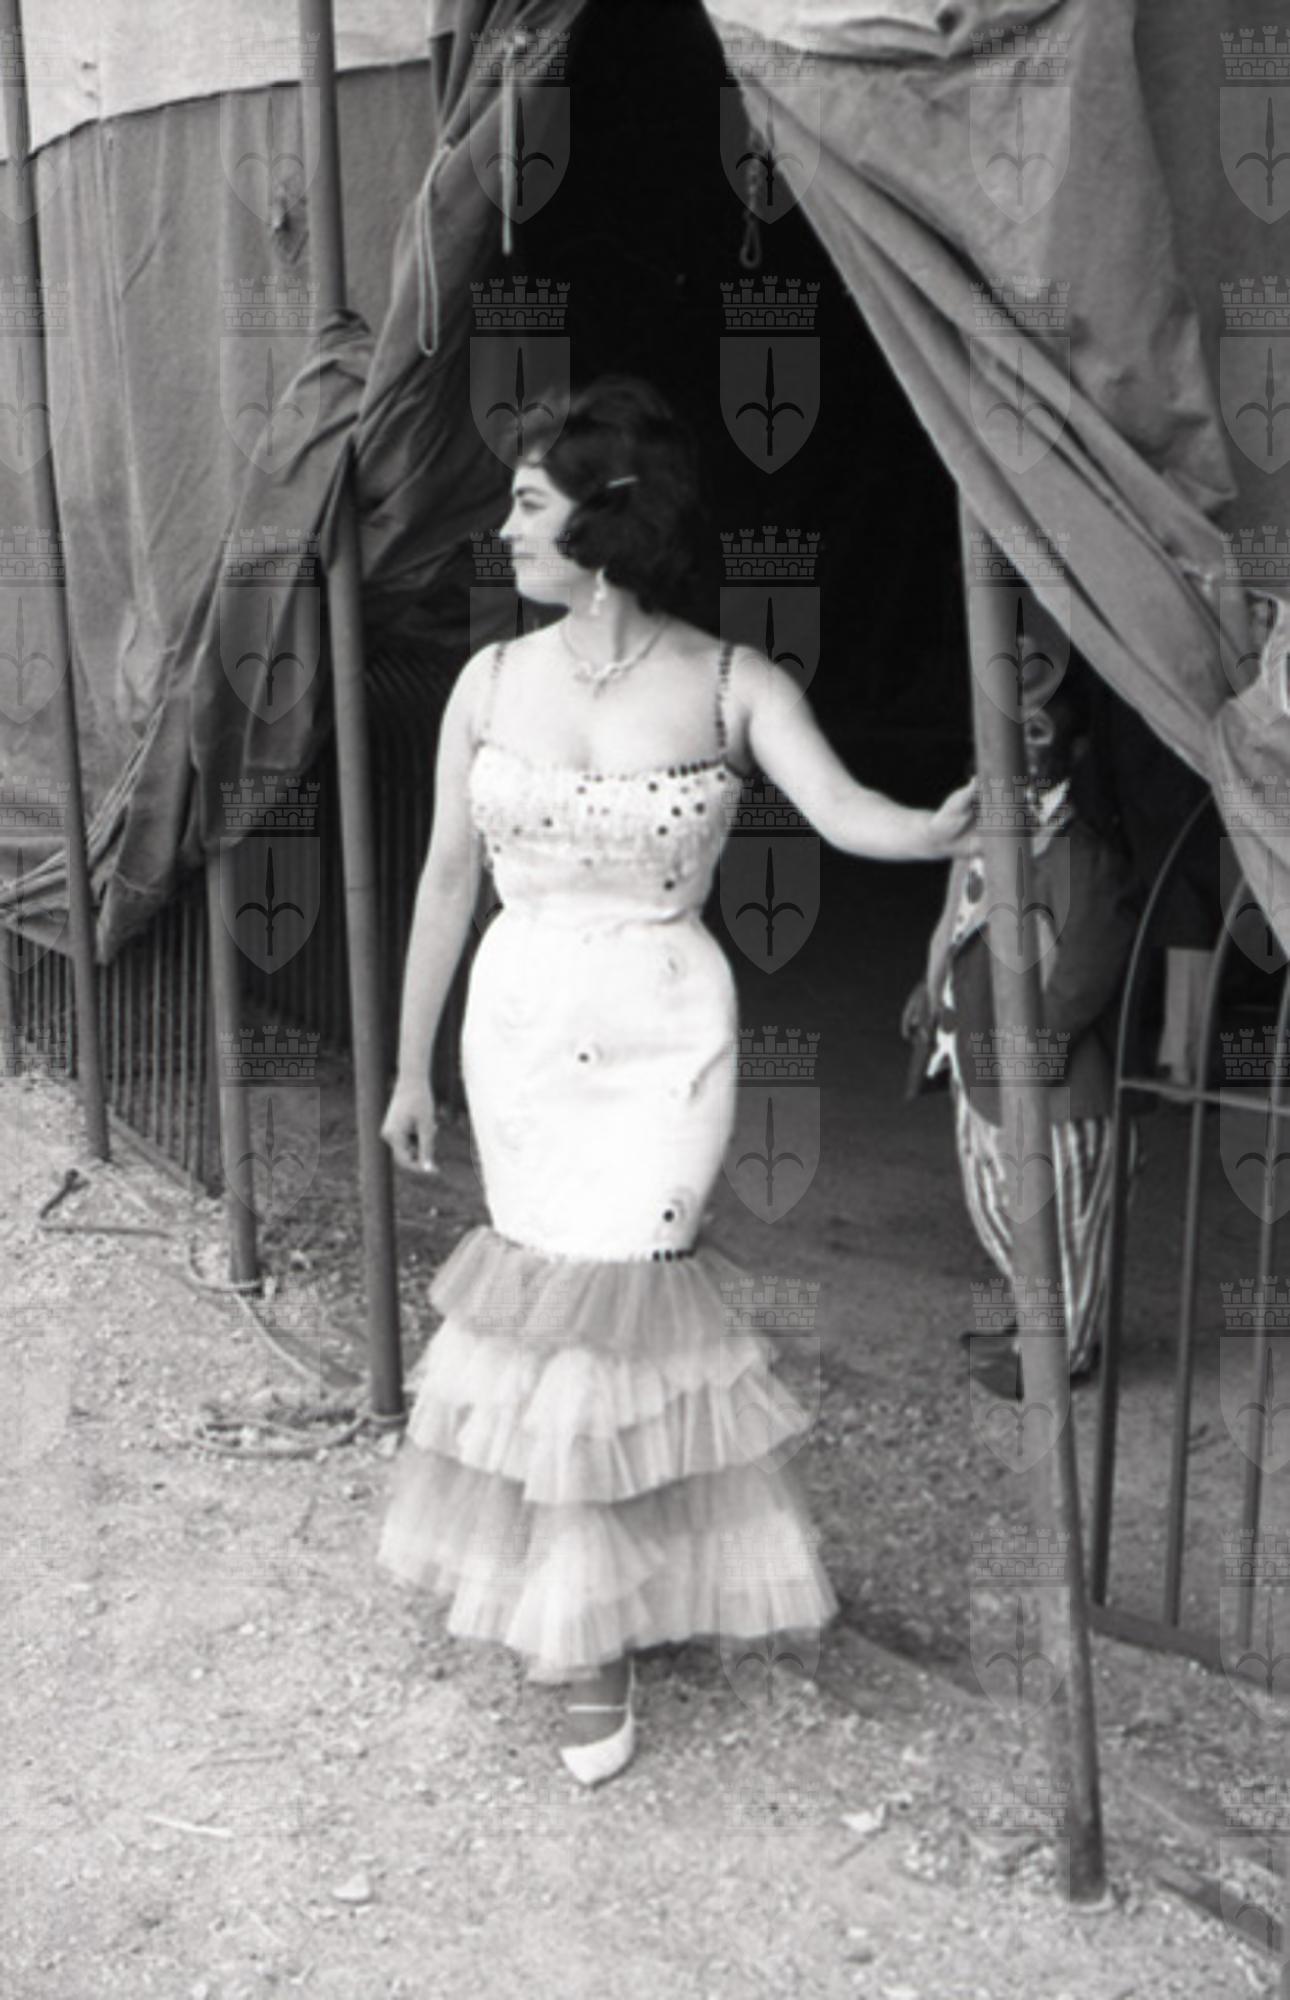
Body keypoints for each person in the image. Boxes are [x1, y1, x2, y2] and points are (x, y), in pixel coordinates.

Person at [376, 375, 978, 1787]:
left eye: (529, 504)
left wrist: (939, 828)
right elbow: (447, 879)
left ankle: (593, 1616)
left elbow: (845, 810)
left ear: (607, 519)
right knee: (548, 1308)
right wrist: (410, 1067)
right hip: (523, 1026)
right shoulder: (485, 682)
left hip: (664, 1028)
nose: (505, 531)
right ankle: (588, 1620)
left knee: (628, 1291)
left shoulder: (730, 680)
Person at [901, 660, 1139, 1394]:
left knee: (1062, 1221)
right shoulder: (984, 830)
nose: (1013, 746)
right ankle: (1036, 1326)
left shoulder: (1083, 853)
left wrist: (1035, 1052)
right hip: (980, 1063)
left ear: (1075, 748)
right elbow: (958, 917)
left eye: (1035, 731)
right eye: (1003, 729)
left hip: (1056, 1085)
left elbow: (1086, 972)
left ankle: (1062, 1351)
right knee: (998, 1200)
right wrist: (931, 985)